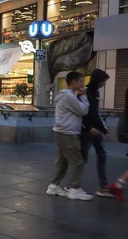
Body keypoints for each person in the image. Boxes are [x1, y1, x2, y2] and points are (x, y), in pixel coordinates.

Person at [46, 71, 92, 200]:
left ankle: (53, 186)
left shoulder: (65, 95)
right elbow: (83, 110)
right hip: (68, 132)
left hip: (62, 131)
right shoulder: (69, 97)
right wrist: (83, 97)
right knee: (77, 162)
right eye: (81, 81)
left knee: (62, 160)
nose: (83, 84)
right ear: (73, 82)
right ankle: (75, 189)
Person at [80, 69, 111, 197]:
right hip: (86, 131)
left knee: (102, 155)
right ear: (97, 80)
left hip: (96, 130)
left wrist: (104, 130)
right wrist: (88, 128)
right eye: (102, 81)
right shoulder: (84, 92)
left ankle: (104, 186)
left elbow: (96, 113)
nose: (103, 84)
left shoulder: (96, 93)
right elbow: (82, 112)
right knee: (82, 159)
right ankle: (72, 184)